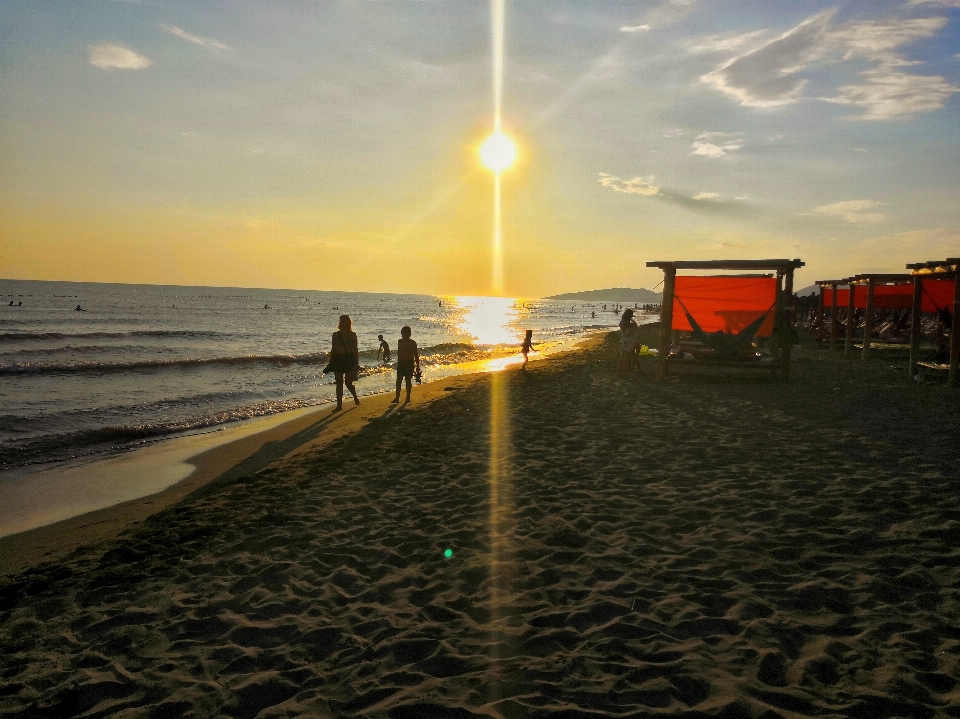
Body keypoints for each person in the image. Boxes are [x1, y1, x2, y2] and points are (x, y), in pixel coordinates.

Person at [328, 314, 360, 411]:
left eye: (344, 321)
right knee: (339, 383)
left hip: (349, 359)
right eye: (341, 321)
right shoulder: (335, 335)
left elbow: (355, 350)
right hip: (338, 359)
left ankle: (354, 396)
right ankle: (339, 405)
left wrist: (356, 363)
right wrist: (331, 362)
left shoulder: (352, 335)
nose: (342, 322)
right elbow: (333, 349)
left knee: (348, 383)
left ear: (349, 322)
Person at [392, 325, 420, 404]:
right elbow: (399, 352)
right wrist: (397, 362)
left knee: (408, 381)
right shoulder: (399, 341)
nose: (404, 336)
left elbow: (416, 355)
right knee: (398, 381)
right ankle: (397, 398)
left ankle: (408, 397)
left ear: (409, 334)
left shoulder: (412, 343)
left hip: (409, 363)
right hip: (401, 363)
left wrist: (417, 366)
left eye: (406, 334)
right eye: (403, 334)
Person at [618, 309, 639, 373]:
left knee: (626, 355)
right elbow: (635, 325)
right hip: (627, 341)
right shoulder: (626, 323)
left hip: (625, 340)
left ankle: (628, 368)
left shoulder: (622, 322)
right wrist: (632, 320)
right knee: (627, 355)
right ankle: (629, 368)